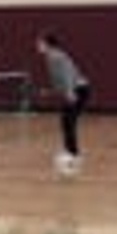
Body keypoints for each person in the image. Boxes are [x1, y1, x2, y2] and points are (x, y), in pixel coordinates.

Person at [36, 32, 90, 176]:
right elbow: (59, 81)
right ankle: (73, 154)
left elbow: (67, 74)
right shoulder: (53, 57)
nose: (38, 45)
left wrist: (70, 92)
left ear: (47, 44)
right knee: (67, 122)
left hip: (79, 90)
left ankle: (73, 155)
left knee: (68, 121)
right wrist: (48, 92)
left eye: (40, 43)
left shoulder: (55, 56)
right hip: (78, 90)